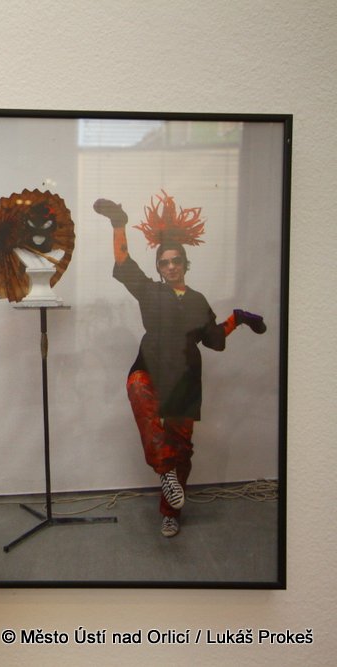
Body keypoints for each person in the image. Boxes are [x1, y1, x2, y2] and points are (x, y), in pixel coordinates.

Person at [94, 195, 266, 537]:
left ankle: (170, 513)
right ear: (158, 268)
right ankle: (165, 470)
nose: (171, 267)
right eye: (164, 262)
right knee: (138, 390)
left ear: (185, 265)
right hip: (149, 367)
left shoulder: (199, 301)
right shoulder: (149, 292)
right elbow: (124, 262)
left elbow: (214, 339)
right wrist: (118, 222)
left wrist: (239, 319)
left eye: (176, 261)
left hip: (185, 378)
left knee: (182, 448)